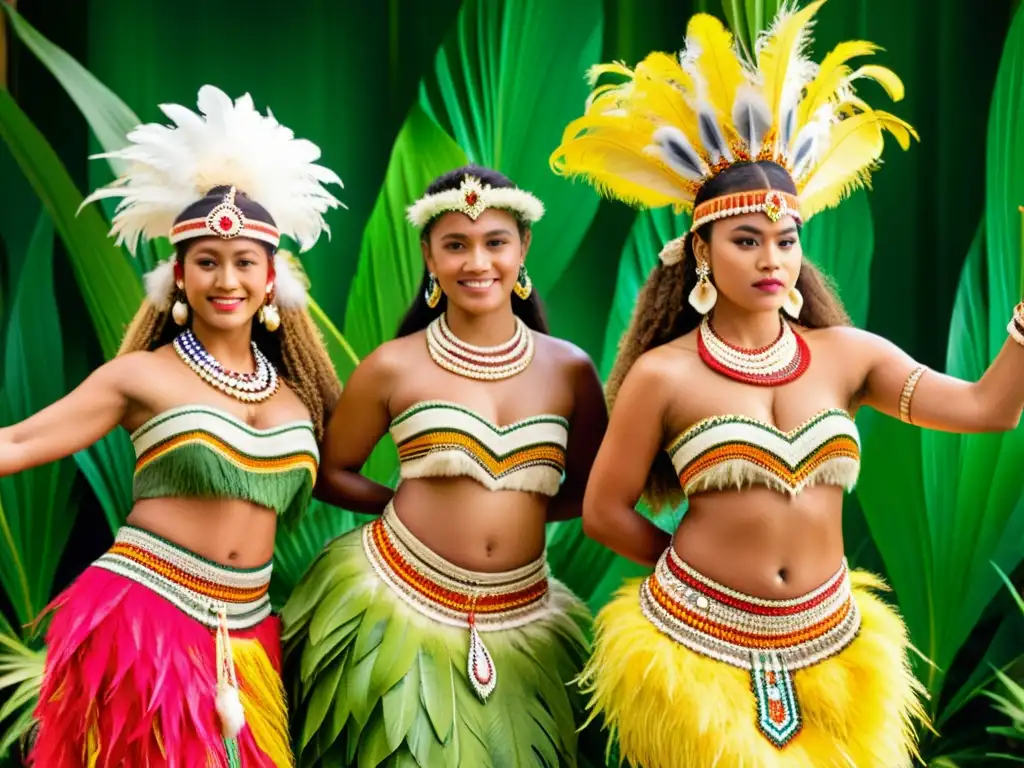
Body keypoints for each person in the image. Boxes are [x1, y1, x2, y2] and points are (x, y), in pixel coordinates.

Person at [549, 3, 1024, 767]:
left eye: (786, 239)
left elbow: (987, 409)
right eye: (746, 240)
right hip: (697, 651)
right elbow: (605, 510)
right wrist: (698, 581)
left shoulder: (848, 355)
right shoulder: (664, 374)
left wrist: (1021, 334)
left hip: (837, 651)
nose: (773, 258)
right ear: (701, 251)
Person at [0, 85, 344, 767]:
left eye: (245, 262)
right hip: (145, 622)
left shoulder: (298, 396)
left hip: (249, 637)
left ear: (272, 277)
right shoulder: (141, 377)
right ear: (178, 277)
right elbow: (16, 442)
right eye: (207, 263)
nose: (227, 279)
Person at [281, 165, 609, 767]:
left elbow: (595, 490)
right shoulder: (392, 366)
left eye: (495, 243)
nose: (476, 262)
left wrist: (527, 511)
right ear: (430, 257)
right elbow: (331, 472)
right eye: (455, 245)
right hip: (393, 604)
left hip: (526, 615)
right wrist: (411, 513)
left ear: (523, 247)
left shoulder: (570, 371)